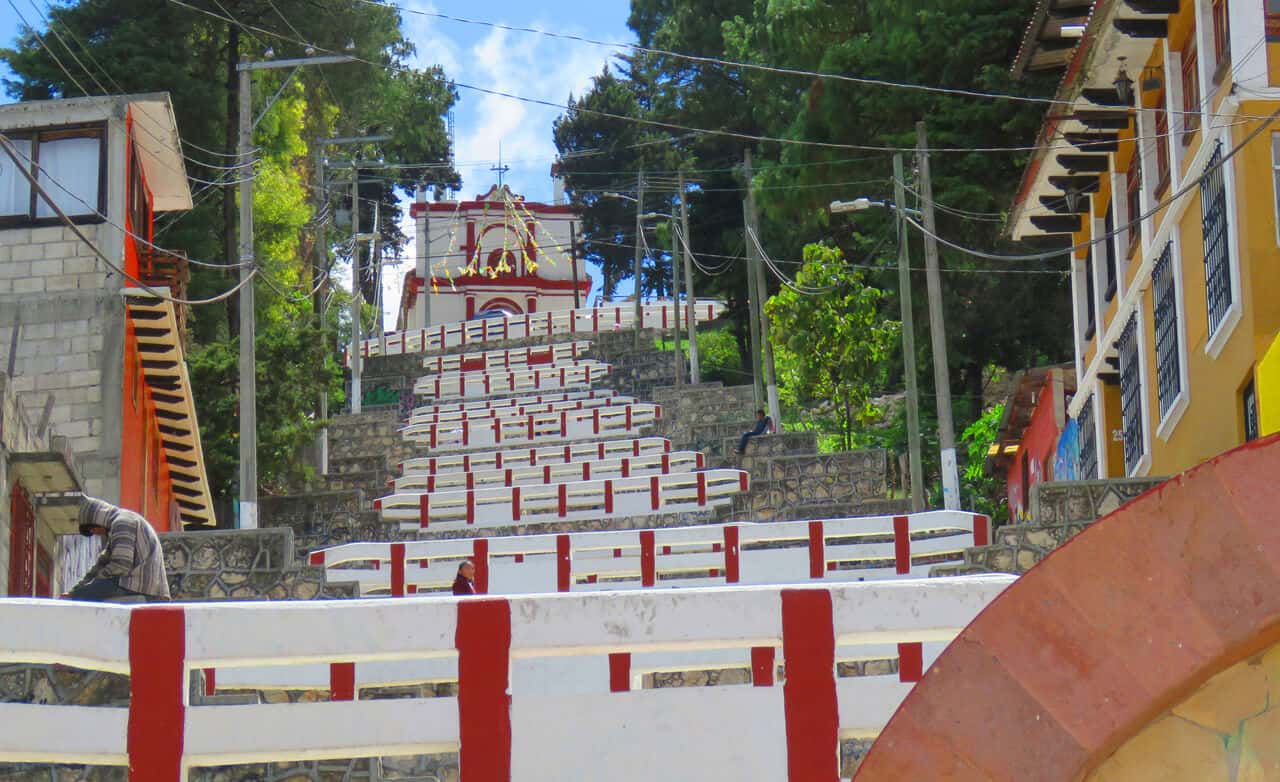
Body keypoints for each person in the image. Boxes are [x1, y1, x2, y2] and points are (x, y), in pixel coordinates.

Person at [64, 496, 170, 603]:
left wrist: (92, 585)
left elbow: (121, 565)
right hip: (146, 587)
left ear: (98, 521)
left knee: (85, 595)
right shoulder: (118, 524)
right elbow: (101, 564)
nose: (96, 533)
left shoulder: (122, 523)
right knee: (83, 593)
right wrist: (76, 590)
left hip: (142, 587)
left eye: (93, 529)